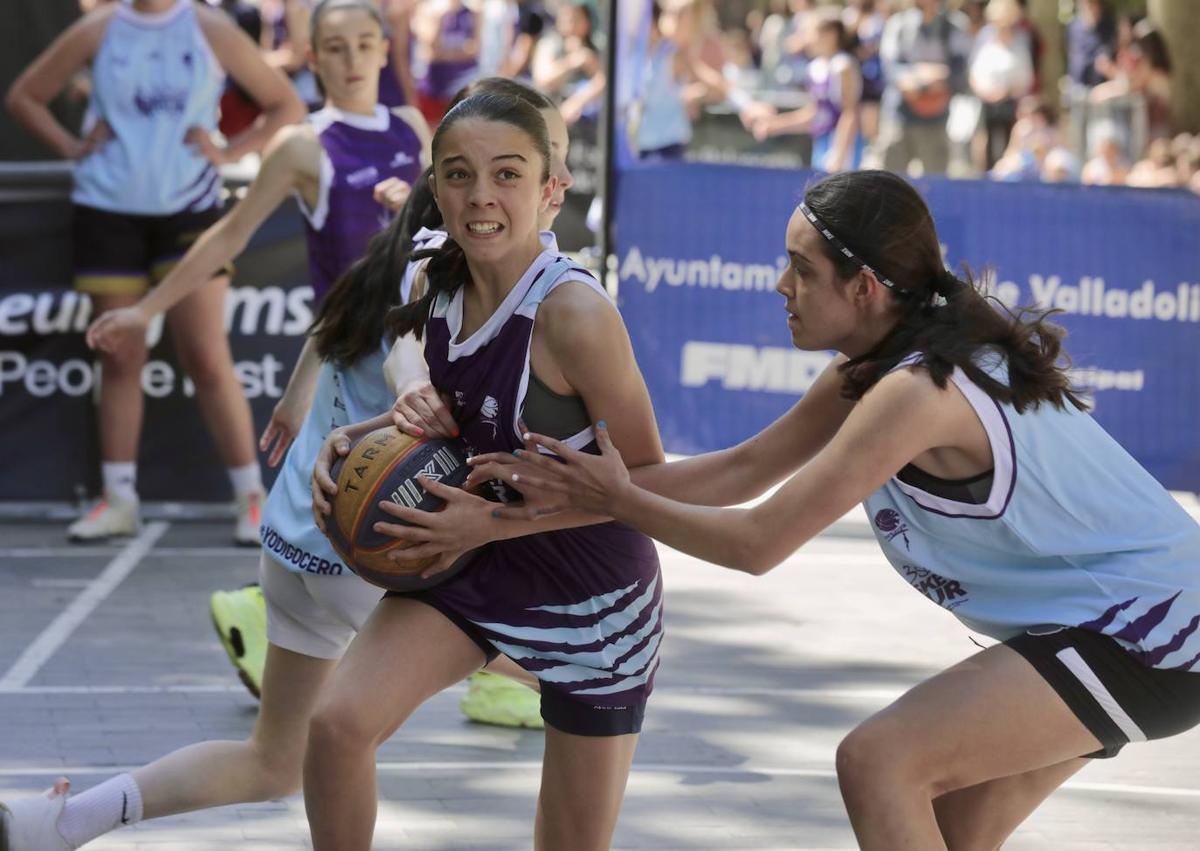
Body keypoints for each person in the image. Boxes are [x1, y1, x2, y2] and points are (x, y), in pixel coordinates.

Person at [469, 169, 1200, 850]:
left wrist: (618, 497)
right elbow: (740, 471)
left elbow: (758, 541)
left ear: (866, 288)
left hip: (1152, 631)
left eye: (803, 268)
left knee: (880, 763)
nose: (780, 283)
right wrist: (548, 505)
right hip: (1113, 623)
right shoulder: (873, 372)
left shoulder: (919, 393)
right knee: (951, 830)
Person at [0, 73, 574, 851]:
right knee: (567, 660)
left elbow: (344, 324)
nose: (505, 185)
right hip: (368, 543)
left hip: (300, 534)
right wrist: (413, 397)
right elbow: (411, 358)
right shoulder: (461, 271)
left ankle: (62, 821)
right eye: (488, 168)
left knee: (273, 761)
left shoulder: (402, 247)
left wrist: (304, 386)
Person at [302, 91, 664, 851]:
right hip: (478, 559)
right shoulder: (435, 276)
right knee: (337, 725)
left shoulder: (574, 315)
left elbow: (650, 485)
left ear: (551, 190)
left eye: (507, 174)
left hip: (592, 595)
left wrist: (491, 519)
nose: (482, 196)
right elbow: (454, 417)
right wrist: (358, 440)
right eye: (460, 175)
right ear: (436, 188)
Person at [81, 0, 428, 696]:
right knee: (366, 541)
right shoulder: (305, 144)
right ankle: (288, 631)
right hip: (353, 368)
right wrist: (146, 309)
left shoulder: (415, 129)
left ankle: (268, 620)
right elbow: (228, 236)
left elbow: (435, 255)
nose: (354, 58)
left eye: (366, 43)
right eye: (336, 46)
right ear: (312, 56)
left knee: (405, 538)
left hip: (419, 359)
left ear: (385, 52)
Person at [5, 0, 305, 545]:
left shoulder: (209, 26)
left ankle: (251, 499)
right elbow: (24, 95)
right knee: (119, 354)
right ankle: (118, 500)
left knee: (206, 355)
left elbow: (285, 105)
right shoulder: (99, 27)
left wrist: (230, 150)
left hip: (188, 211)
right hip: (107, 208)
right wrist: (74, 149)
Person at [748, 13, 864, 173]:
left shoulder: (842, 65)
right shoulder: (814, 68)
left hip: (844, 148)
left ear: (830, 35)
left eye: (810, 33)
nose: (805, 39)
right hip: (821, 144)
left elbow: (850, 113)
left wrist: (839, 154)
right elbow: (815, 114)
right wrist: (776, 125)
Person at [876, 0, 971, 176]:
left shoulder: (955, 25)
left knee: (935, 181)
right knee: (890, 180)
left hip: (936, 118)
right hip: (899, 115)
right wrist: (918, 77)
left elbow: (960, 70)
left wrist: (939, 78)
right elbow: (891, 67)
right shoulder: (898, 24)